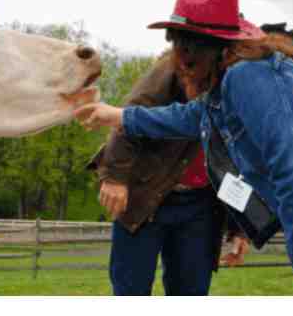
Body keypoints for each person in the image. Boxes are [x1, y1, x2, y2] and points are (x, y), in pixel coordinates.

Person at [76, 0, 293, 296]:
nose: (177, 57)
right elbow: (190, 116)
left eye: (182, 47)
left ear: (199, 48)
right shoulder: (229, 82)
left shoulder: (247, 78)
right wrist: (119, 116)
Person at [86, 46, 248, 296]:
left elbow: (240, 163)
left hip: (201, 204)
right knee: (131, 289)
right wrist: (115, 178)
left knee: (191, 291)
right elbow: (130, 113)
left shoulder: (246, 87)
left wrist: (239, 228)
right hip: (146, 195)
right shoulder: (172, 68)